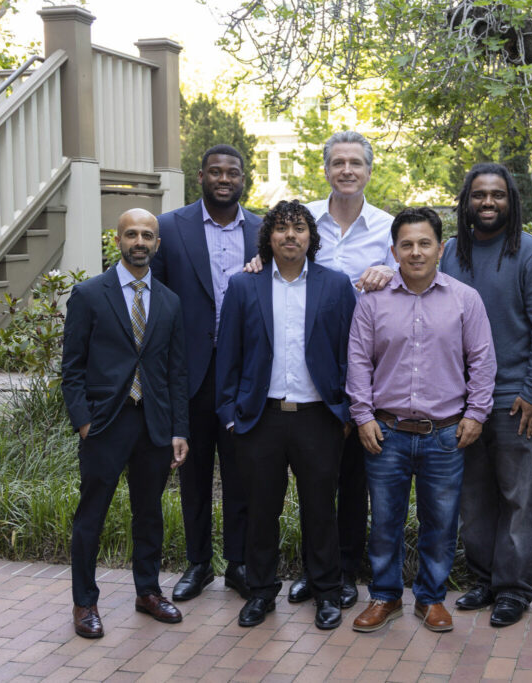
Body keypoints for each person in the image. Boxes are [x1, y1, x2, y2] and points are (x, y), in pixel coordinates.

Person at [248, 131, 395, 608]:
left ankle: (344, 571)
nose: (347, 170)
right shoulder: (305, 219)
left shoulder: (386, 228)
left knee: (351, 479)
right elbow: (279, 254)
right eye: (338, 163)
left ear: (369, 171)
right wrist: (260, 260)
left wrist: (390, 272)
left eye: (356, 163)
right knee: (313, 486)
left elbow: (417, 272)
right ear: (327, 169)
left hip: (363, 366)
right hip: (305, 367)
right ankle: (315, 574)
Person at [348, 207, 496, 633]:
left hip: (446, 433)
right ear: (394, 250)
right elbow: (358, 362)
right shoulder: (372, 302)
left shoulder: (465, 300)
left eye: (424, 243)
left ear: (440, 248)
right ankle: (385, 596)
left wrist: (476, 414)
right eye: (407, 245)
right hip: (386, 432)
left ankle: (431, 599)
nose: (416, 252)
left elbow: (482, 362)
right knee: (385, 521)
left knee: (441, 522)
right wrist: (361, 416)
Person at [215, 200, 356, 629]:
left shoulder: (335, 285)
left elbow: (352, 352)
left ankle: (327, 592)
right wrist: (229, 414)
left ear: (311, 237)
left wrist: (346, 411)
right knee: (260, 510)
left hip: (319, 418)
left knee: (320, 510)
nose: (290, 235)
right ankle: (260, 593)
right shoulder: (244, 286)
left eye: (298, 228)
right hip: (261, 418)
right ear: (269, 237)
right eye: (281, 229)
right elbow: (229, 356)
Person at [439, 163, 532, 628]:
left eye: (497, 195)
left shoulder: (530, 254)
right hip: (461, 402)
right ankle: (484, 580)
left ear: (511, 201)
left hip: (514, 399)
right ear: (466, 201)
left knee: (518, 498)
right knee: (473, 496)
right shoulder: (451, 253)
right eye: (479, 195)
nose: (488, 203)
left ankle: (513, 589)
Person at [61, 208, 189, 639]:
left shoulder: (170, 302)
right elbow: (72, 368)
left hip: (153, 425)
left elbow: (176, 373)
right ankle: (85, 602)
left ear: (157, 244)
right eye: (131, 234)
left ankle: (148, 592)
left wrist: (179, 429)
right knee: (91, 515)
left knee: (149, 514)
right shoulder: (89, 294)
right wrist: (83, 421)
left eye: (147, 235)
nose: (139, 241)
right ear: (116, 240)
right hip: (104, 424)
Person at [152, 144, 262, 602]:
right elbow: (155, 297)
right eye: (215, 172)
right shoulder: (169, 227)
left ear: (243, 178)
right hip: (190, 372)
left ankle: (237, 564)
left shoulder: (263, 229)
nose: (223, 179)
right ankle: (198, 564)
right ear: (200, 176)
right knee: (193, 474)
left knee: (241, 473)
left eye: (232, 173)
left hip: (242, 373)